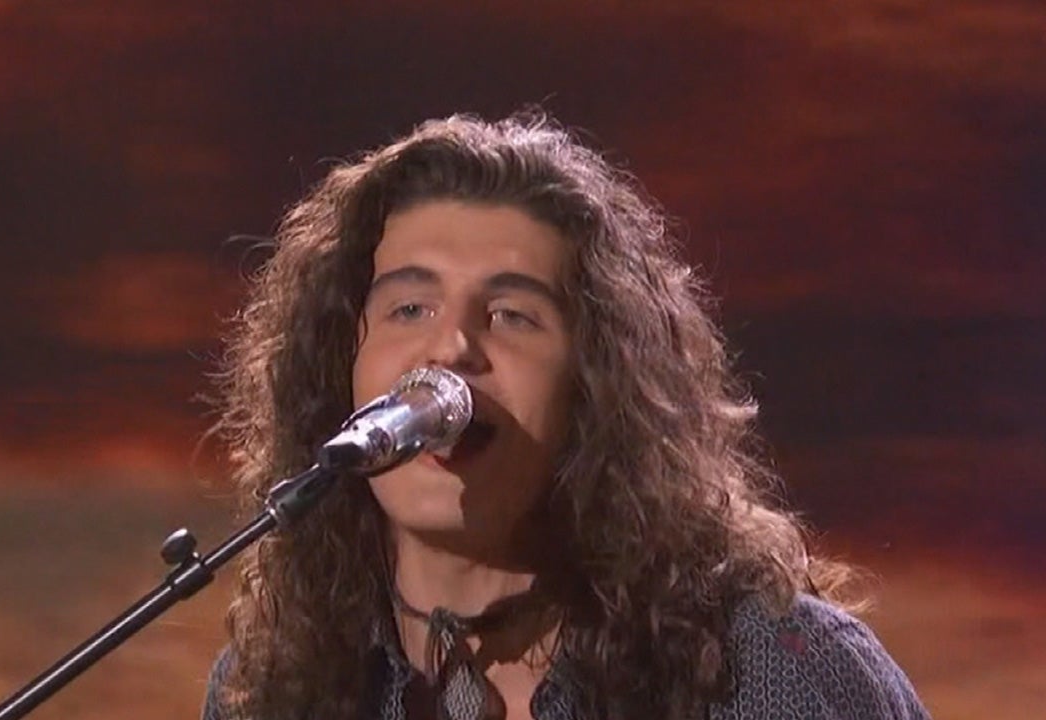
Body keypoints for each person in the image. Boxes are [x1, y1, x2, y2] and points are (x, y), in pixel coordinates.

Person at [202, 112, 929, 720]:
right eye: (410, 308)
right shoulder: (270, 689)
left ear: (594, 384)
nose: (450, 348)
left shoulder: (779, 672)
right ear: (341, 365)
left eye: (511, 315)